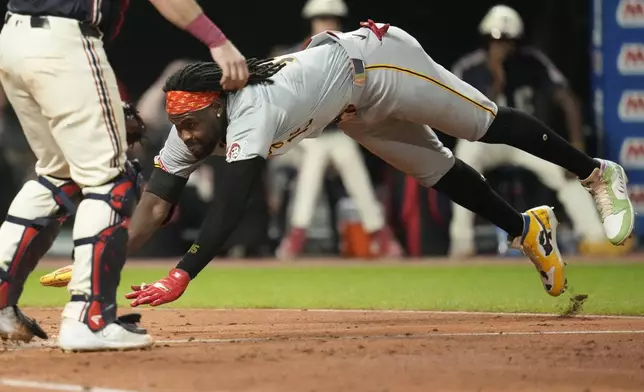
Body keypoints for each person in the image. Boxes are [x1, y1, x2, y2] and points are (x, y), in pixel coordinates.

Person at [123, 20, 633, 309]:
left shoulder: (253, 110)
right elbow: (152, 207)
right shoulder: (196, 129)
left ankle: (595, 172)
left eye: (191, 124)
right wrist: (104, 256)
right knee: (437, 173)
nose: (184, 136)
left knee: (483, 123)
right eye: (179, 128)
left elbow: (230, 206)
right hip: (351, 108)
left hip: (381, 63)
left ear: (216, 103)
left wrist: (181, 273)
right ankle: (526, 229)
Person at [0, 0, 245, 351]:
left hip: (13, 37)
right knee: (112, 182)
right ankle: (91, 317)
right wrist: (218, 41)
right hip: (65, 37)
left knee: (57, 175)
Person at [448, 5, 624, 257]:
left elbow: (569, 101)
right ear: (486, 39)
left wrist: (575, 147)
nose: (501, 45)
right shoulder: (468, 67)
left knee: (568, 171)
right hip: (482, 138)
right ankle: (461, 242)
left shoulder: (532, 61)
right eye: (496, 39)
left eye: (507, 40)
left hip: (523, 139)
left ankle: (594, 237)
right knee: (461, 164)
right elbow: (458, 113)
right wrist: (496, 79)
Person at [275, 0, 401, 258]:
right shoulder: (294, 53)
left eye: (331, 18)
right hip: (300, 138)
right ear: (312, 21)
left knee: (347, 154)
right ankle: (297, 235)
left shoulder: (352, 53)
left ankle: (377, 233)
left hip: (335, 134)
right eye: (321, 18)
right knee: (315, 157)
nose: (326, 23)